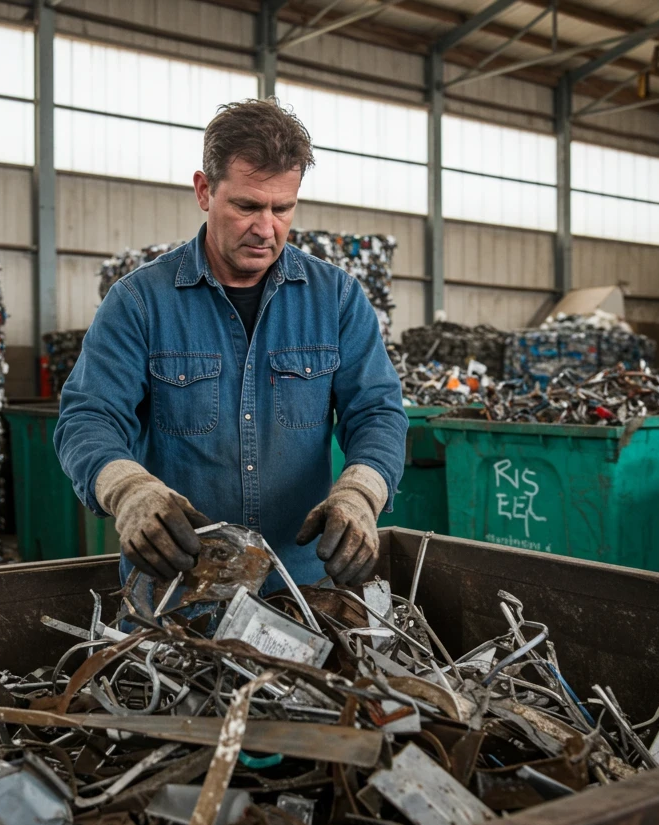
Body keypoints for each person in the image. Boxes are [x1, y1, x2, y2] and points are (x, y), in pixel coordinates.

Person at [55, 97, 406, 591]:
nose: (266, 228)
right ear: (204, 191)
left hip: (301, 585)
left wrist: (361, 492)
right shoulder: (139, 302)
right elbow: (87, 418)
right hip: (178, 586)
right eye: (247, 206)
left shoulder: (337, 300)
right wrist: (128, 491)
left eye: (282, 208)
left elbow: (377, 412)